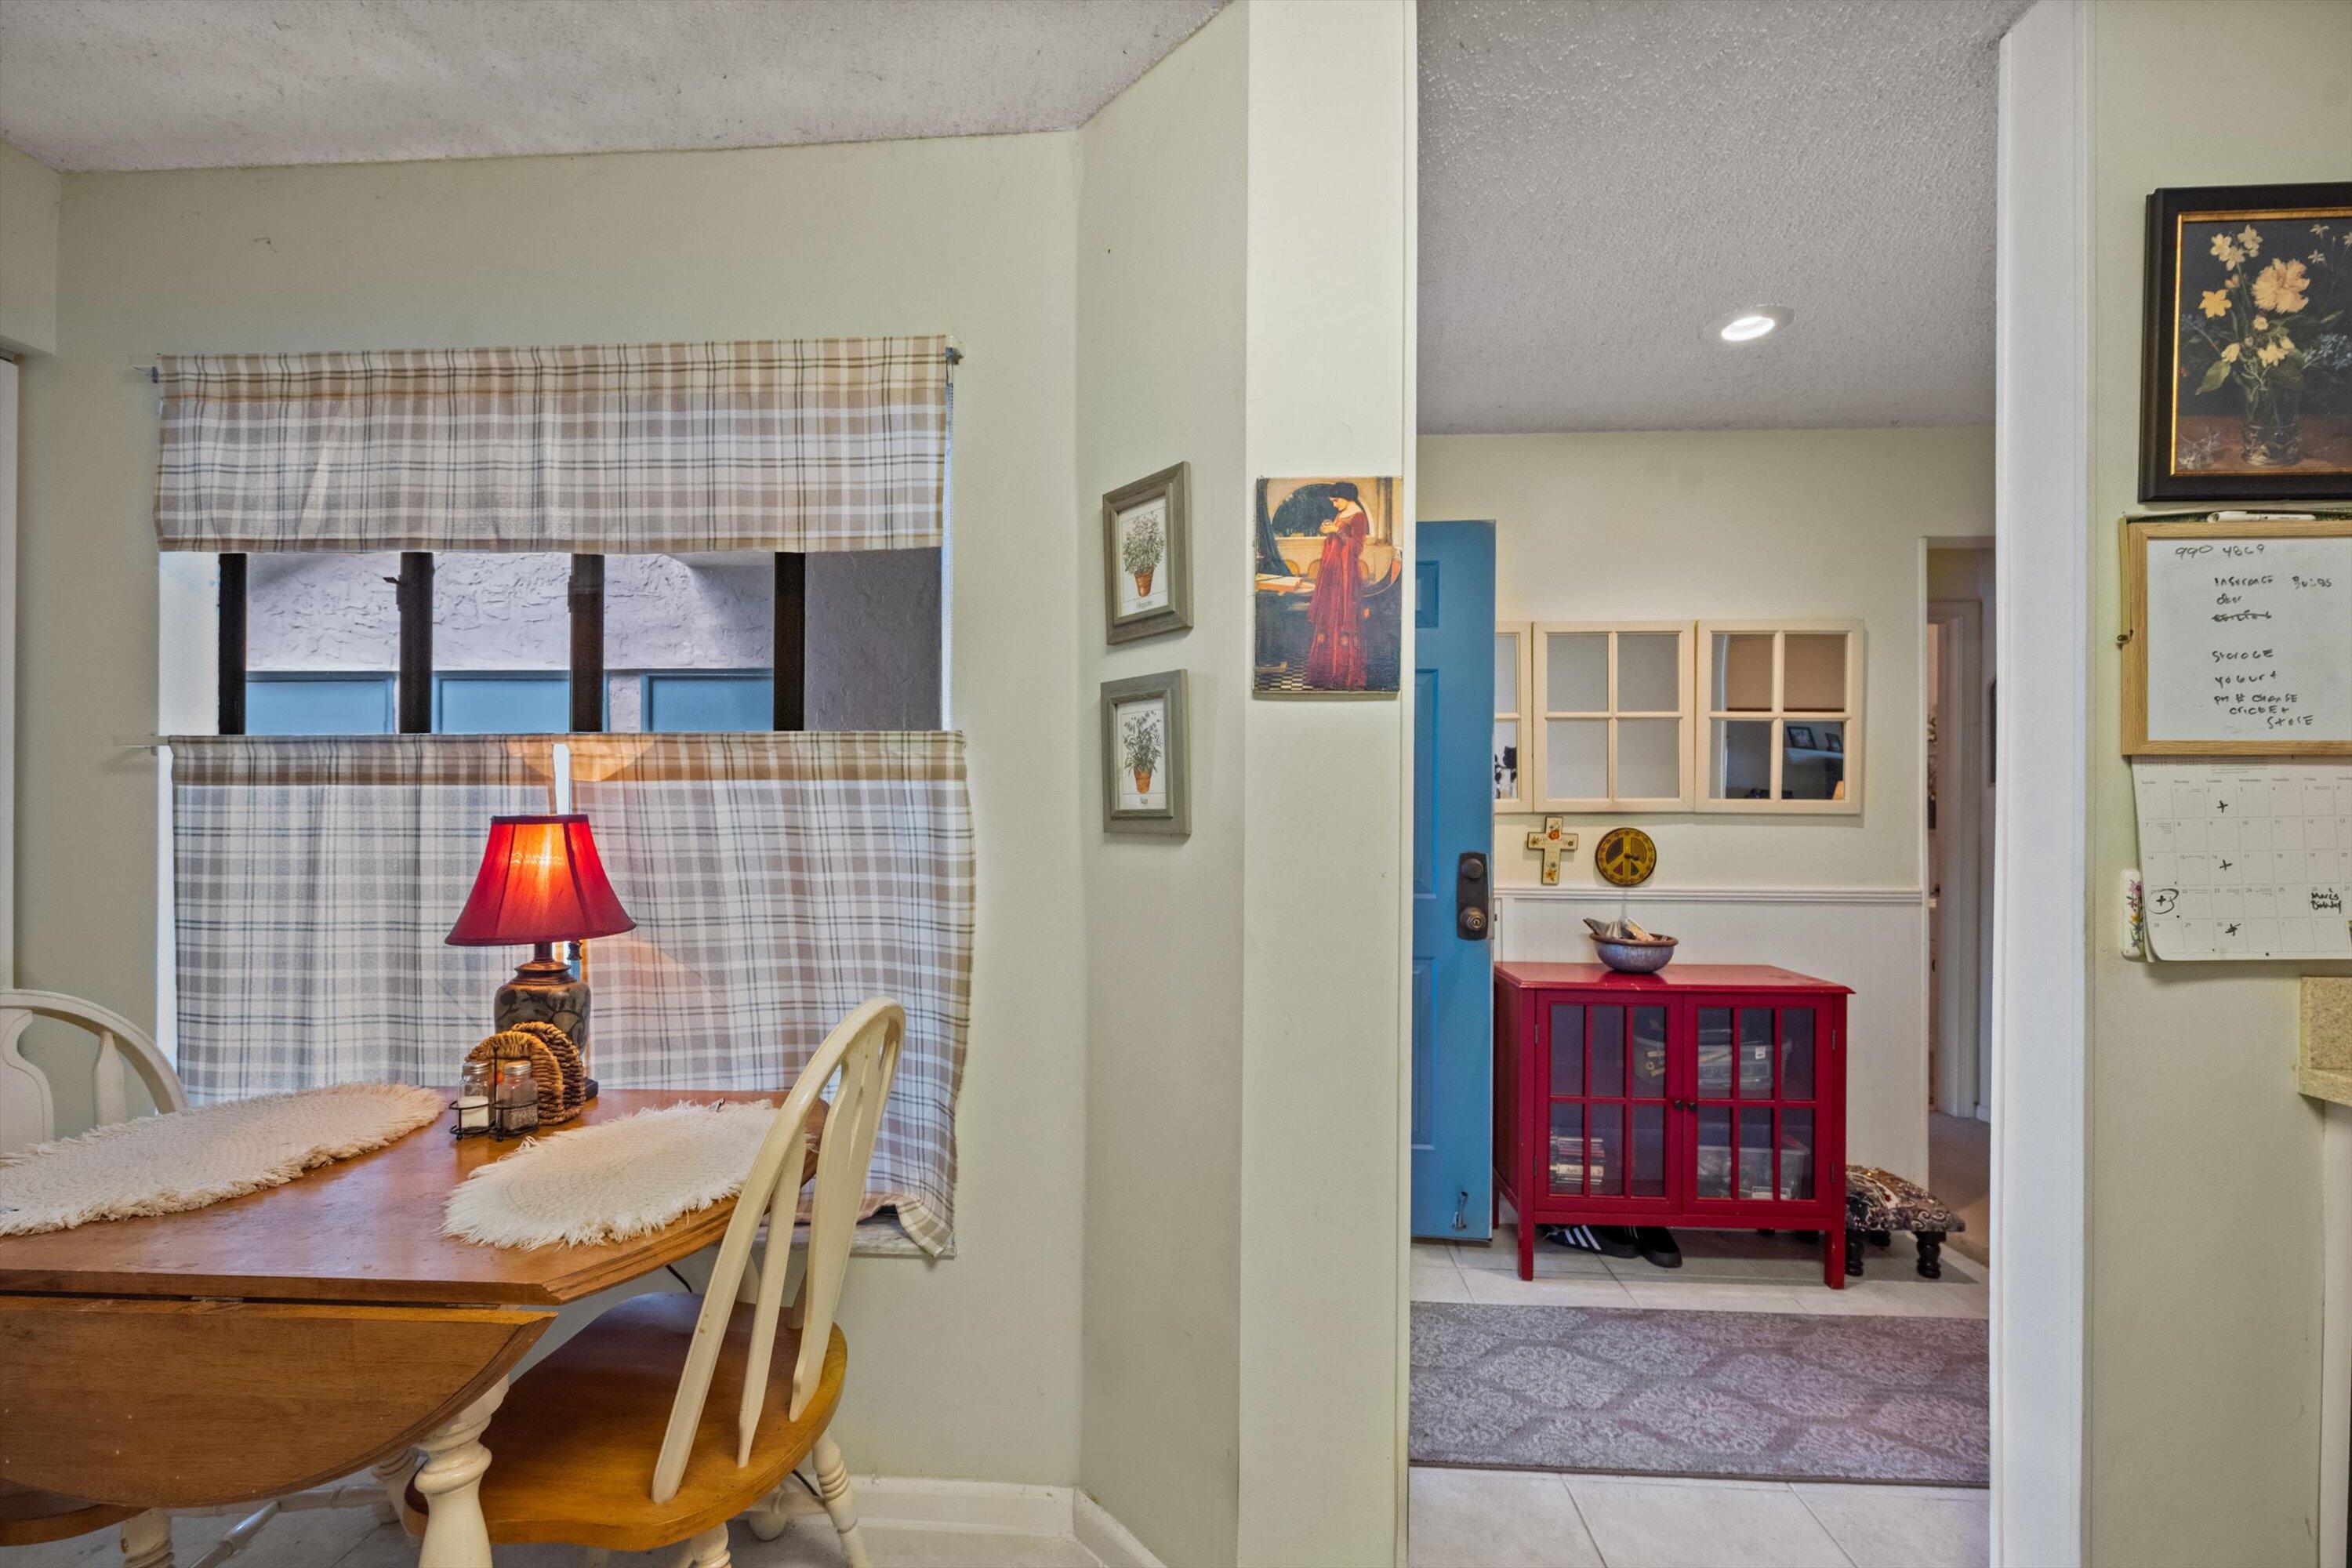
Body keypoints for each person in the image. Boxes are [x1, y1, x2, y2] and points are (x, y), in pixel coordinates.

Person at [1304, 483, 1370, 689]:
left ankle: (1342, 675)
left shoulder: (1358, 516)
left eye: (1336, 500)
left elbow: (1356, 549)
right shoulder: (1342, 514)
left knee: (1342, 619)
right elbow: (1337, 541)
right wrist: (1330, 531)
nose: (1334, 505)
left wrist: (1336, 532)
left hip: (1345, 578)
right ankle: (1326, 673)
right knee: (1329, 618)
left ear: (1346, 497)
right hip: (1332, 575)